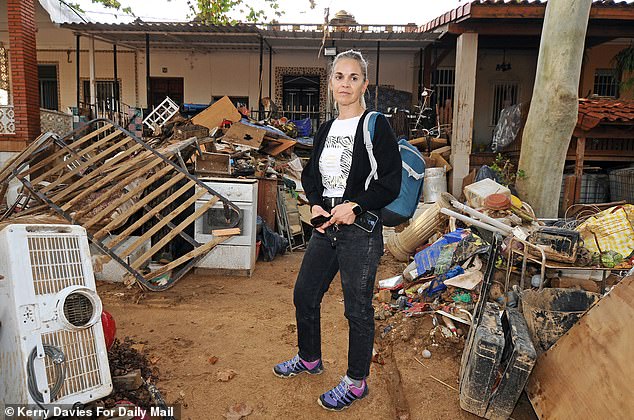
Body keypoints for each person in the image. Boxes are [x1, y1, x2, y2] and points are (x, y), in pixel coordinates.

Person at [273, 50, 401, 411]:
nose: (345, 84)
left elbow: (391, 182)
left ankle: (356, 382)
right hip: (325, 226)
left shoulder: (375, 124)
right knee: (305, 293)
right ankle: (309, 358)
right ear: (330, 83)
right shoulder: (327, 128)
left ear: (365, 84)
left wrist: (355, 205)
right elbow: (312, 175)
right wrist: (315, 203)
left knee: (357, 309)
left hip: (360, 230)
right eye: (339, 77)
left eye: (354, 77)